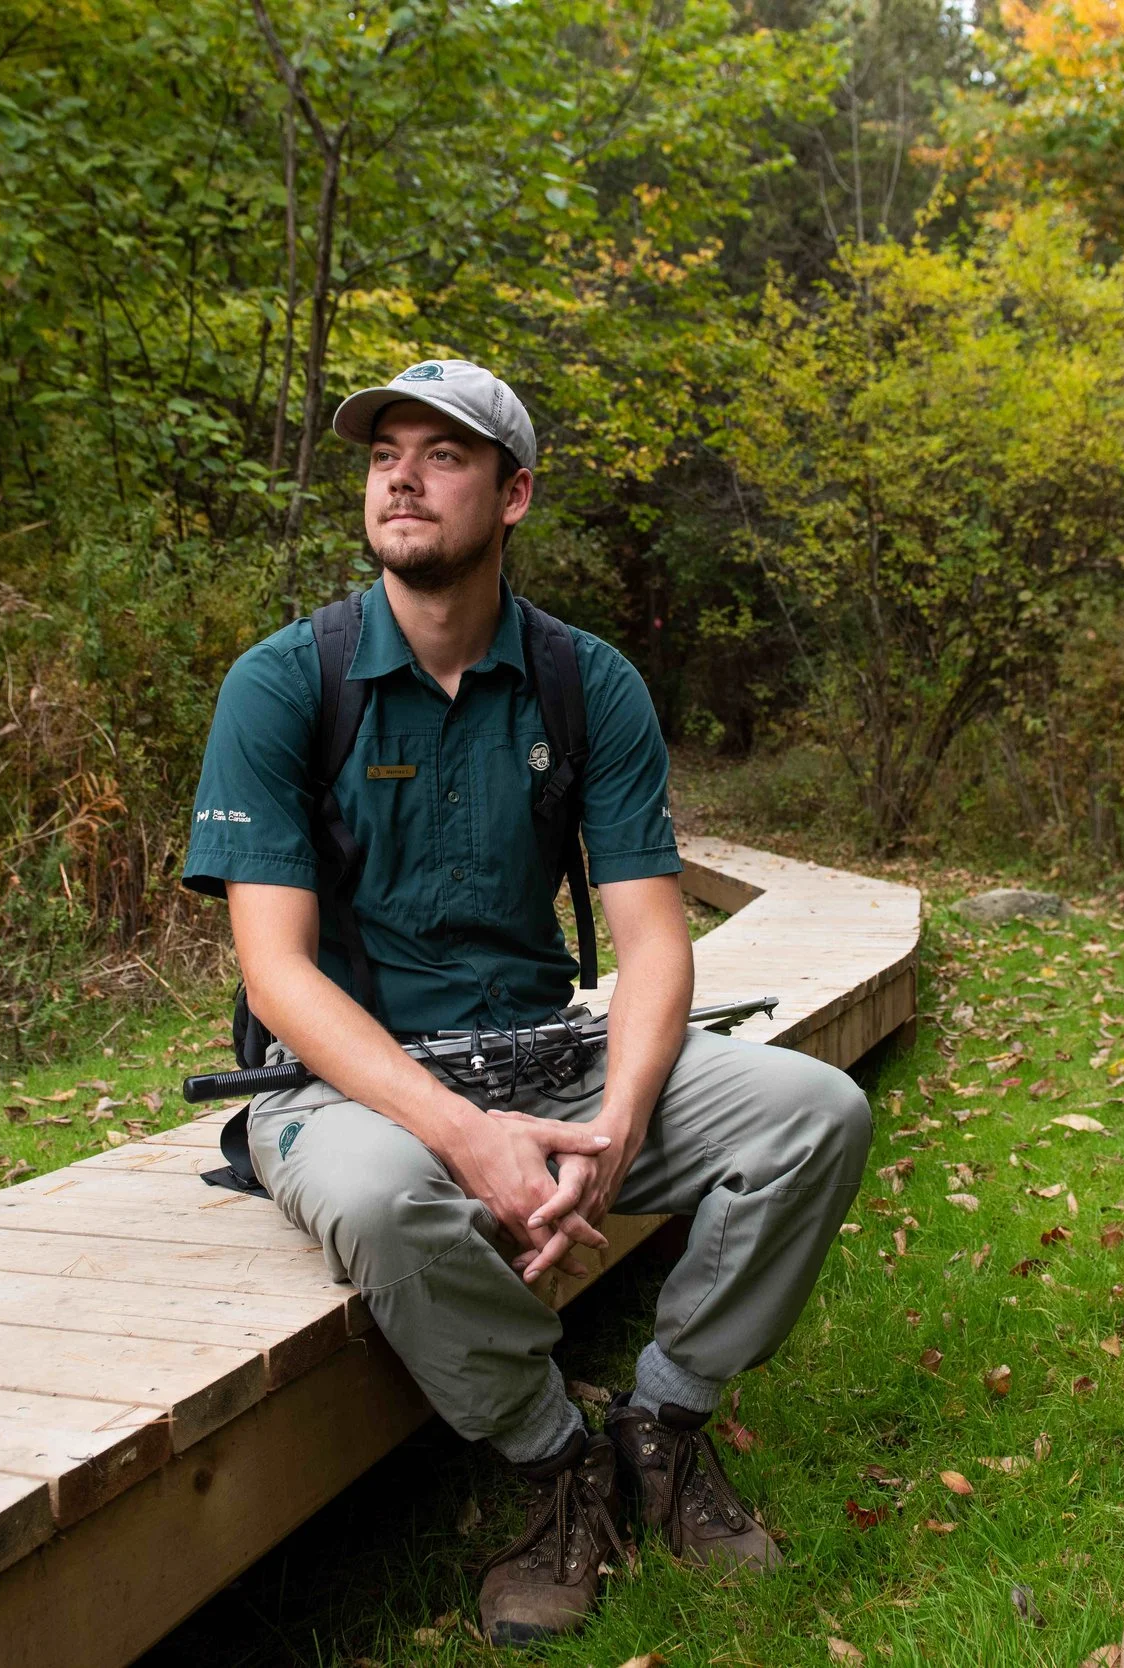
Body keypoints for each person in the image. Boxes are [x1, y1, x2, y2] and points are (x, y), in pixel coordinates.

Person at [180, 358, 872, 1645]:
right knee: (392, 1201)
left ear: (513, 495)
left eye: (442, 454)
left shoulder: (584, 683)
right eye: (384, 450)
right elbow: (275, 972)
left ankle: (660, 1421)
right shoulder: (284, 683)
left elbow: (653, 945)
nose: (400, 473)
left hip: (547, 1048)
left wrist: (610, 1127)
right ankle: (556, 1461)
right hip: (348, 1075)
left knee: (814, 1111)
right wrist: (460, 1135)